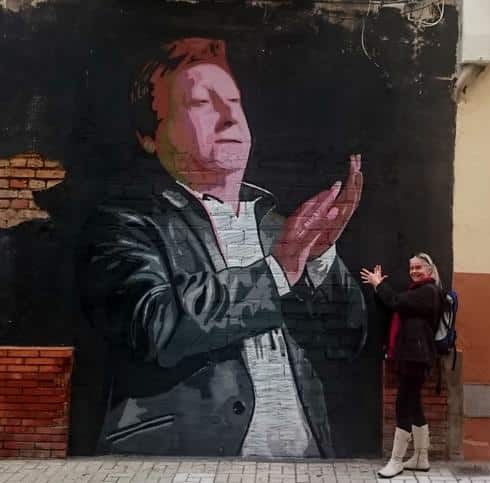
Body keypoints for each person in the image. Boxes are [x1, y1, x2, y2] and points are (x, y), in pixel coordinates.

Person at [78, 37, 367, 457]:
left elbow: (345, 341)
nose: (230, 117)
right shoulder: (123, 224)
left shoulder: (277, 227)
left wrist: (320, 258)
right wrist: (278, 271)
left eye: (233, 100)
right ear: (148, 136)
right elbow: (154, 326)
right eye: (201, 103)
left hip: (304, 461)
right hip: (179, 462)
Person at [360, 253, 441, 477]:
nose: (414, 271)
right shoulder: (417, 292)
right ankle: (421, 457)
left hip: (416, 356)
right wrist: (379, 289)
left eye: (419, 268)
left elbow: (396, 302)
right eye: (411, 268)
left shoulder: (428, 292)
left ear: (429, 270)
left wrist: (380, 285)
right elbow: (393, 308)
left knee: (403, 405)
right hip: (411, 355)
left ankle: (396, 461)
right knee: (413, 404)